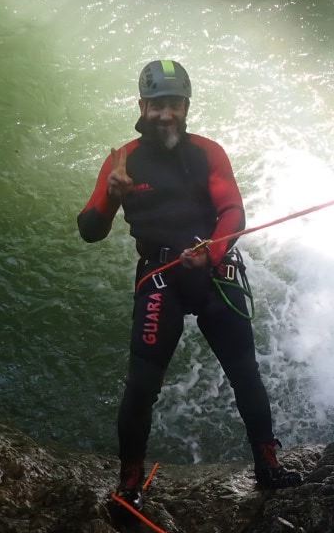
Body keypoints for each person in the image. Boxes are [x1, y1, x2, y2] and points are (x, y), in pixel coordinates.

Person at [77, 59, 303, 510]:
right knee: (141, 387)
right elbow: (89, 230)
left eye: (174, 104)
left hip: (214, 270)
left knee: (245, 374)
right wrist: (112, 197)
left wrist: (212, 252)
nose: (166, 114)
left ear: (186, 106)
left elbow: (233, 211)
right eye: (157, 104)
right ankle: (130, 483)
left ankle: (267, 465)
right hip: (160, 276)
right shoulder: (123, 162)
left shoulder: (208, 152)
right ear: (142, 105)